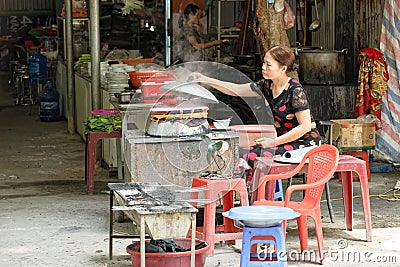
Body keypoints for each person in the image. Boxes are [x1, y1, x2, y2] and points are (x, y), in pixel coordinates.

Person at [191, 45, 321, 167]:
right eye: (264, 63)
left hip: (304, 144)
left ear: (283, 69)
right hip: (283, 141)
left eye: (268, 64)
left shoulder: (295, 90)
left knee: (249, 155)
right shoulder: (266, 85)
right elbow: (236, 90)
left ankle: (260, 190)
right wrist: (205, 79)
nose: (263, 67)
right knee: (240, 151)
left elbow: (305, 126)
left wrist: (273, 142)